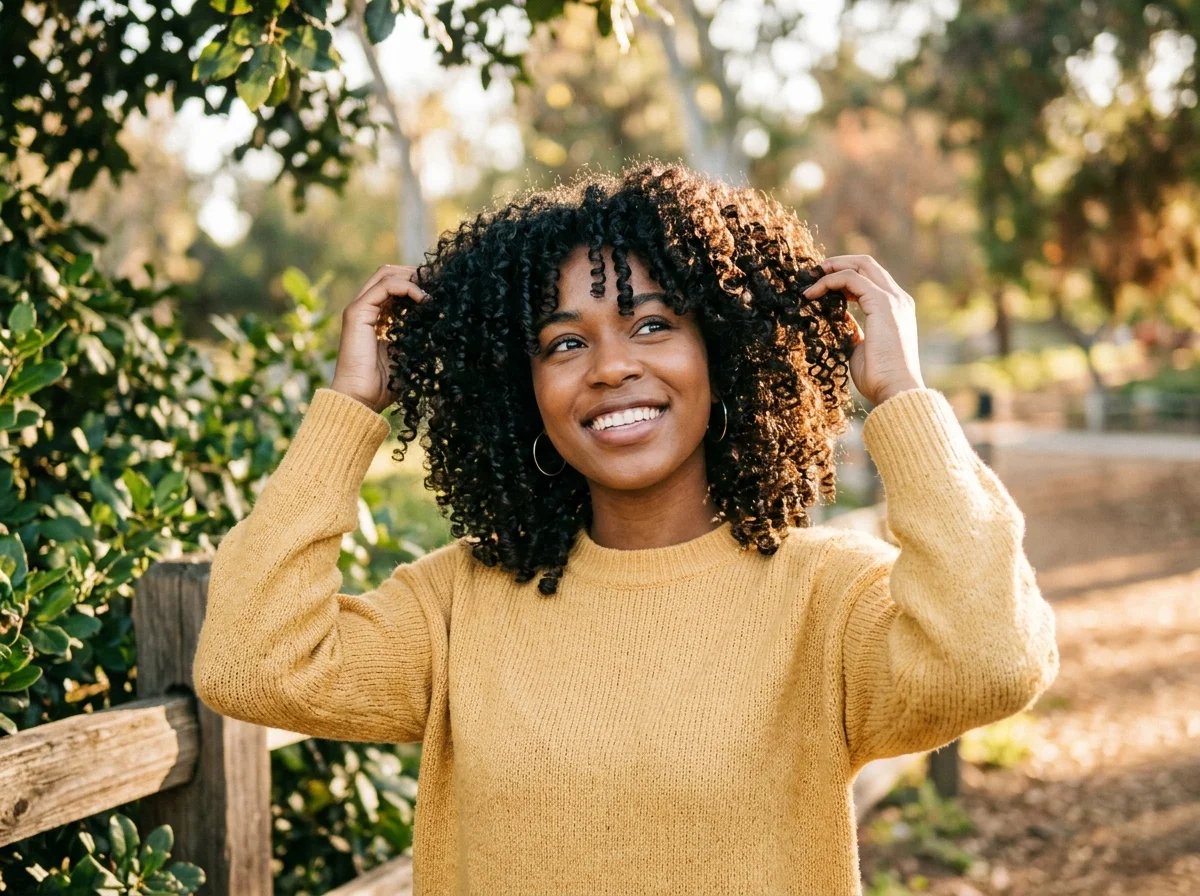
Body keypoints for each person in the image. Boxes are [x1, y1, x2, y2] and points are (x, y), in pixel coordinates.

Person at [193, 161, 1059, 895]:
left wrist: (901, 395)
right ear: (520, 387)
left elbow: (990, 661)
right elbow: (251, 663)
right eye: (564, 343)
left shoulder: (826, 597)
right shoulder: (458, 602)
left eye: (653, 325)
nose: (612, 368)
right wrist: (349, 408)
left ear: (724, 354)